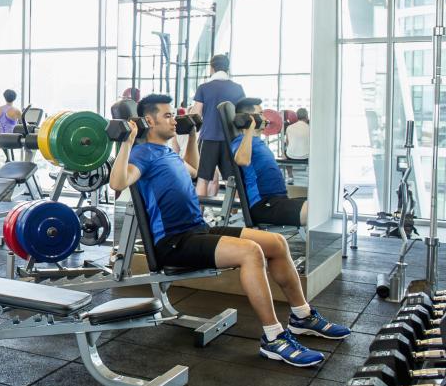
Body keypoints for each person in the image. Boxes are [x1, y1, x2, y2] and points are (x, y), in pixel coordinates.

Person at [108, 94, 349, 368]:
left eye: (174, 115)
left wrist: (193, 133)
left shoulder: (167, 152)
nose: (174, 120)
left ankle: (302, 316)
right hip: (174, 243)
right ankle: (273, 338)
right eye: (168, 116)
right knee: (251, 252)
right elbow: (118, 182)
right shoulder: (142, 154)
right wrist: (127, 141)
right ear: (148, 121)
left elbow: (195, 170)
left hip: (197, 230)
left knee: (276, 242)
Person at [231, 98, 308, 227]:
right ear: (249, 118)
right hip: (263, 204)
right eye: (260, 114)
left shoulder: (258, 142)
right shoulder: (239, 142)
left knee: (320, 205)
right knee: (314, 212)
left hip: (278, 201)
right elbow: (242, 160)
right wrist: (250, 128)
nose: (265, 118)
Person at [190, 55, 245, 197]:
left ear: (211, 68)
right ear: (227, 68)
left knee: (203, 180)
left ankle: (199, 211)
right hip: (231, 140)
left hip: (209, 138)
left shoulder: (204, 88)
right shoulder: (238, 88)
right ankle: (235, 211)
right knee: (232, 181)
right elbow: (242, 114)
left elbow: (195, 114)